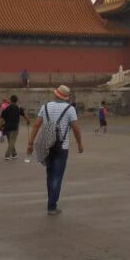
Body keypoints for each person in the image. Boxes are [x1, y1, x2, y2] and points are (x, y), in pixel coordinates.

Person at [26, 85, 83, 215]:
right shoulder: (70, 109)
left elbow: (36, 125)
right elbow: (76, 128)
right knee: (57, 176)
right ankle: (52, 206)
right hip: (62, 147)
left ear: (56, 95)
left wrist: (30, 143)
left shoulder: (45, 107)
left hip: (47, 145)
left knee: (50, 174)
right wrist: (79, 143)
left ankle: (51, 202)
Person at [0, 95, 28, 160]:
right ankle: (7, 155)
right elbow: (24, 115)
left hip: (6, 127)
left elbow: (1, 119)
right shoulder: (19, 108)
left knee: (10, 141)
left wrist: (0, 127)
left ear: (11, 100)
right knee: (12, 141)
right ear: (16, 100)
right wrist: (28, 121)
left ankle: (14, 154)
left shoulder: (6, 108)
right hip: (15, 127)